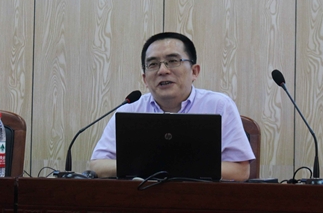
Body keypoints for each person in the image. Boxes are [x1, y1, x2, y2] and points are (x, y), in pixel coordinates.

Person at [89, 32, 255, 181]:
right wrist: (165, 167)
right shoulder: (129, 110)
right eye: (153, 64)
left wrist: (159, 167)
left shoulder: (219, 106)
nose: (162, 70)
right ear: (145, 79)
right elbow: (97, 166)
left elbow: (240, 171)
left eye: (173, 61)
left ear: (194, 72)